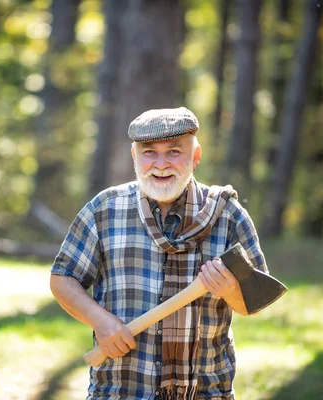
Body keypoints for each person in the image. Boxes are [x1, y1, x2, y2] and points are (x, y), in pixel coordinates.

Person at [49, 107, 268, 400]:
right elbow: (62, 278)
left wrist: (229, 290)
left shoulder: (228, 216)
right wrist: (99, 320)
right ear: (134, 156)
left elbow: (253, 303)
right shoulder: (104, 210)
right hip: (119, 389)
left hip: (205, 392)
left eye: (175, 151)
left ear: (196, 156)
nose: (161, 164)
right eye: (149, 151)